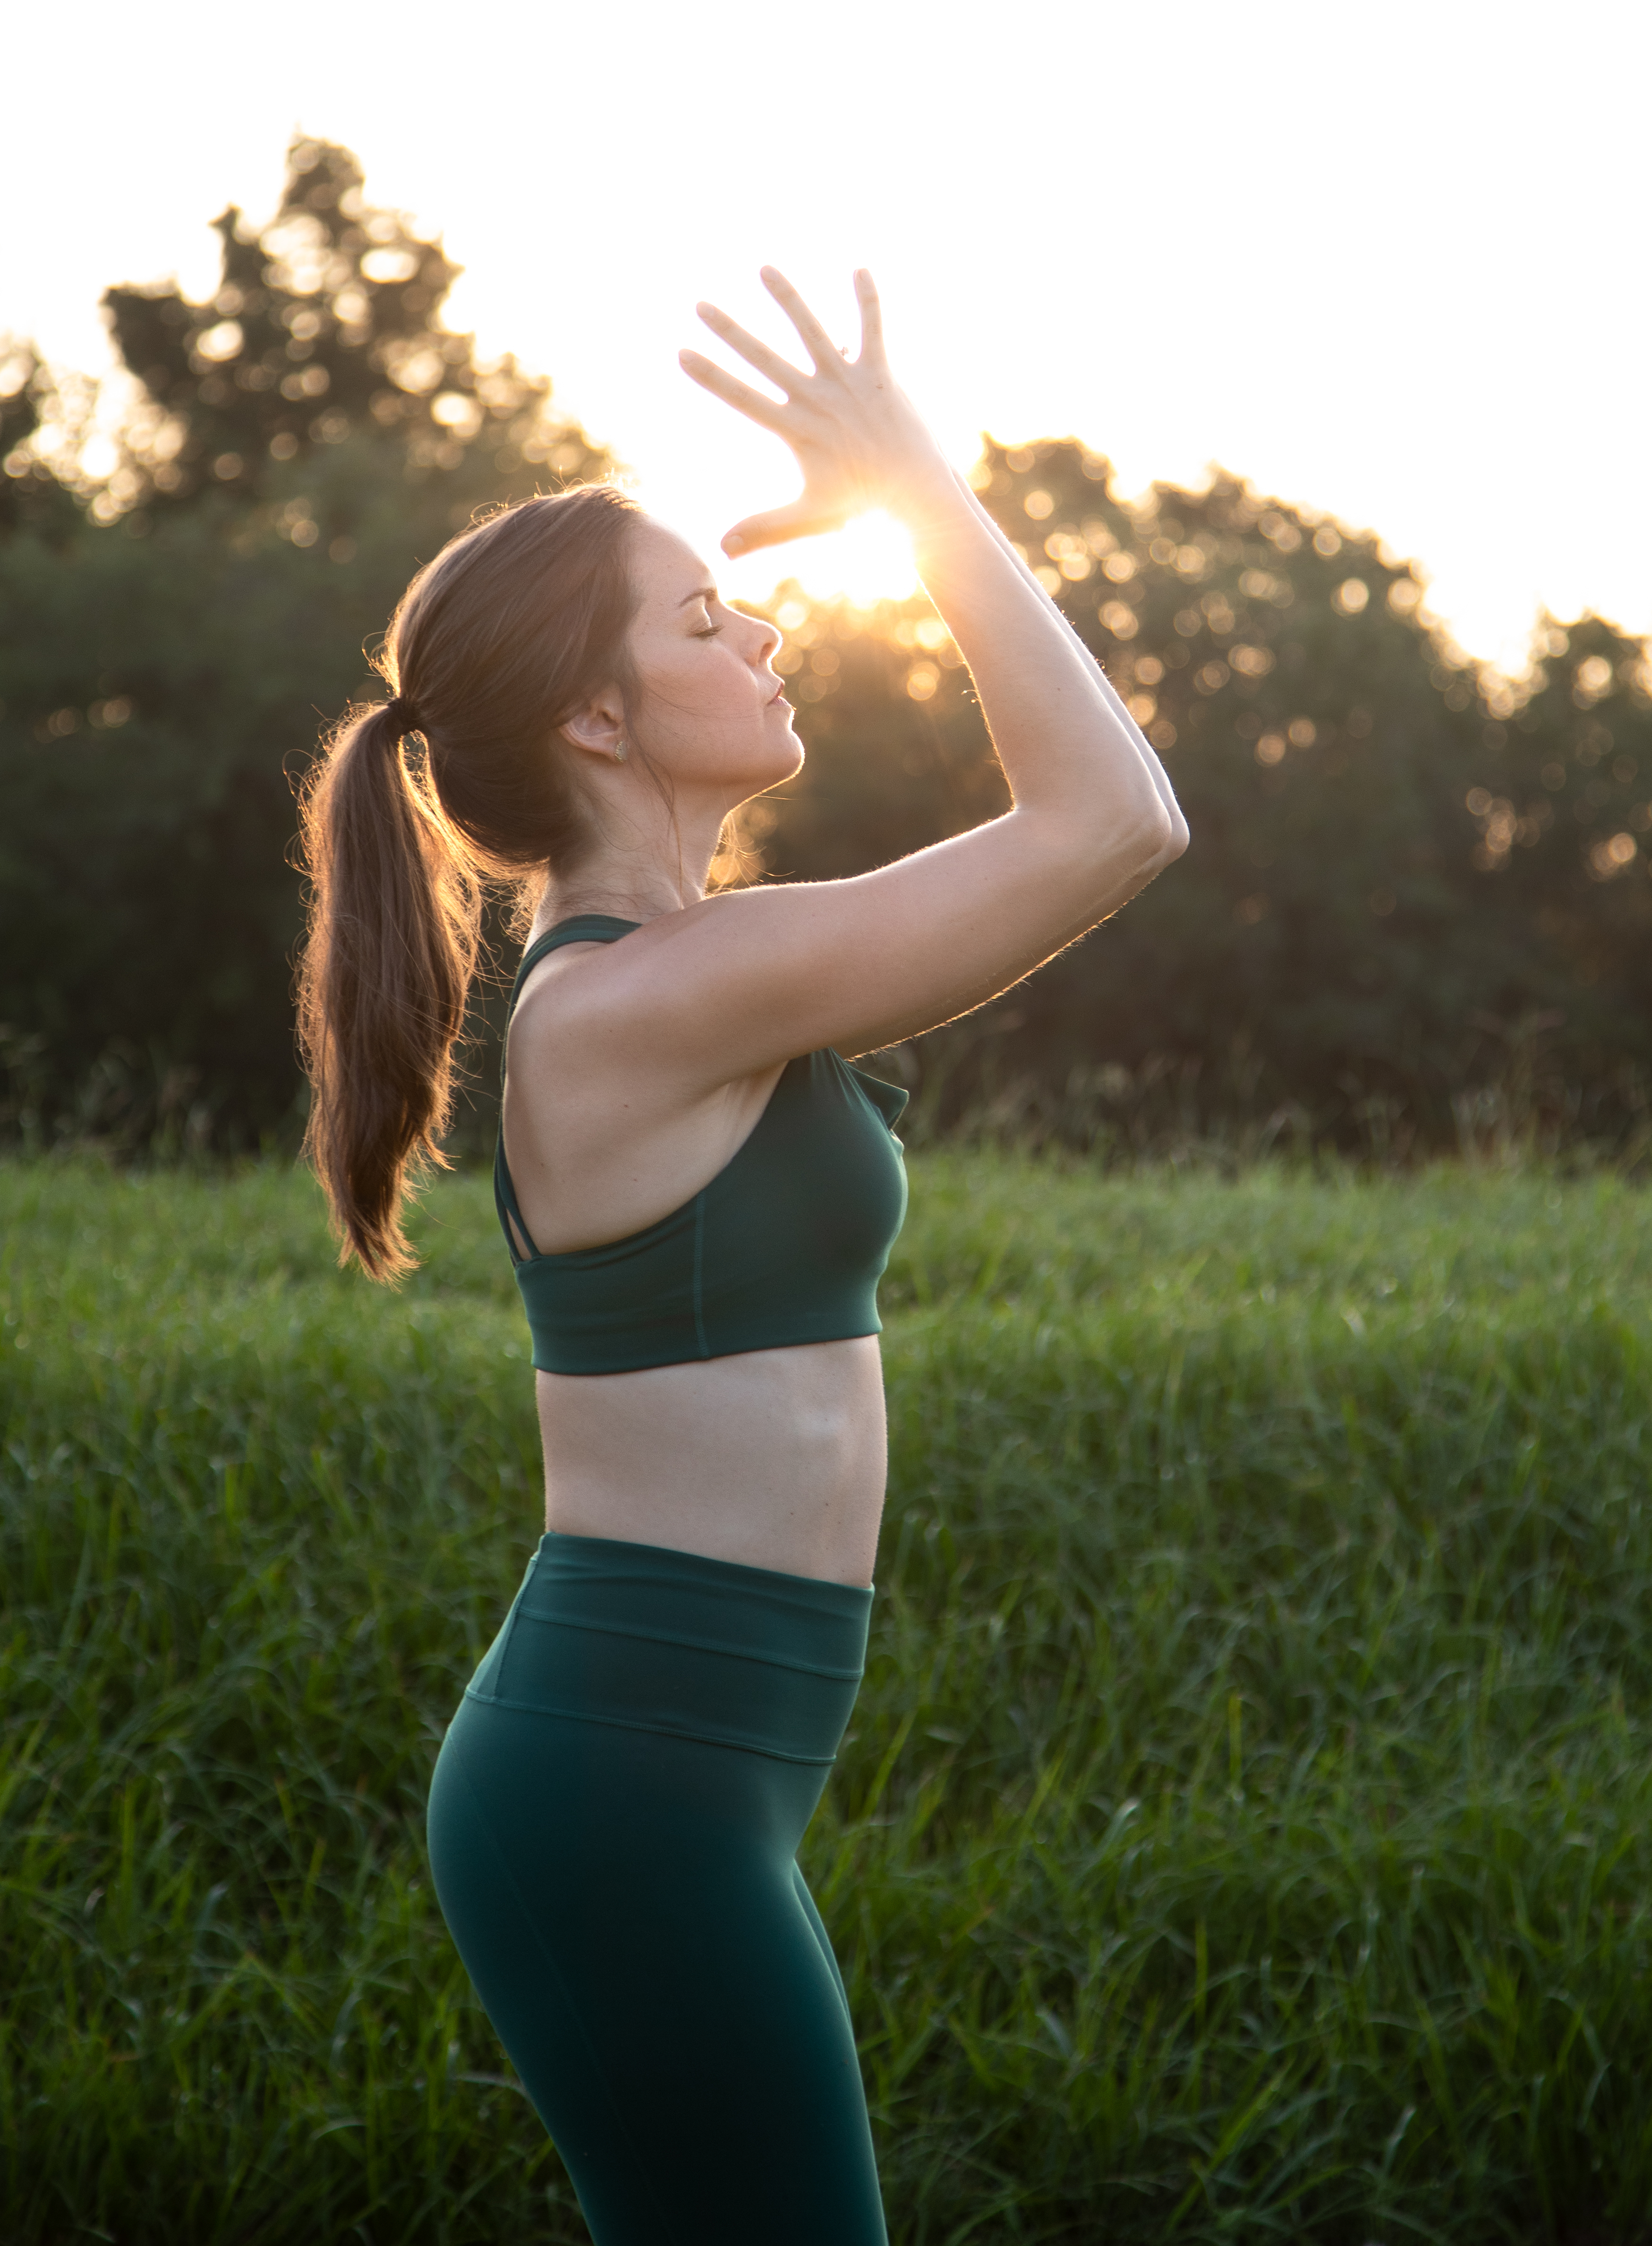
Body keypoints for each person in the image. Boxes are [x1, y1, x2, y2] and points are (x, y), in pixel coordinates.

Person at [296, 269, 1187, 2245]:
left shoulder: (697, 969)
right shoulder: (634, 1001)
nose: (762, 620)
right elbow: (1112, 819)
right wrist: (920, 492)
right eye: (701, 616)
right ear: (597, 715)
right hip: (621, 1794)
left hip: (692, 1776)